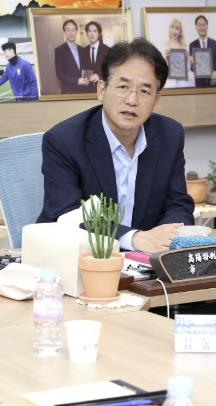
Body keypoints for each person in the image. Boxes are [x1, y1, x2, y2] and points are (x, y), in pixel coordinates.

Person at [37, 38, 194, 253]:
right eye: (123, 87)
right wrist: (133, 238)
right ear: (101, 89)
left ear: (156, 100)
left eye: (144, 91)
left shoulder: (170, 135)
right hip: (79, 258)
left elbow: (178, 204)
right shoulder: (64, 141)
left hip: (145, 261)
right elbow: (67, 215)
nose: (132, 100)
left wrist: (166, 239)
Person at [188, 15, 216, 88]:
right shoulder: (192, 45)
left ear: (207, 26)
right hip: (200, 85)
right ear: (196, 27)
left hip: (214, 84)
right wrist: (191, 63)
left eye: (203, 25)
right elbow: (192, 68)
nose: (202, 27)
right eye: (199, 25)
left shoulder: (215, 44)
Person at [54, 19, 89, 93]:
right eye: (68, 30)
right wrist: (77, 81)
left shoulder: (82, 49)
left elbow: (85, 67)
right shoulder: (59, 50)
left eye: (73, 30)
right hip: (69, 91)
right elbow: (59, 74)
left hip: (84, 90)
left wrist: (87, 80)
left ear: (76, 32)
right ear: (64, 32)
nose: (71, 33)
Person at [162, 18, 193, 88]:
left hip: (184, 82)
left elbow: (188, 69)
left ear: (180, 31)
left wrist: (188, 60)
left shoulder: (185, 48)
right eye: (172, 27)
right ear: (169, 29)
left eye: (177, 28)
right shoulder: (165, 47)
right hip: (170, 82)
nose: (174, 31)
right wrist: (165, 58)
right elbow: (162, 69)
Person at [80, 21, 109, 93]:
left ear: (99, 34)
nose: (92, 34)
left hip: (103, 90)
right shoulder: (84, 51)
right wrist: (86, 79)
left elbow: (111, 69)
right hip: (88, 90)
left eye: (95, 31)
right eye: (89, 31)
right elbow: (84, 69)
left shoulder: (107, 50)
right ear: (87, 33)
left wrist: (99, 76)